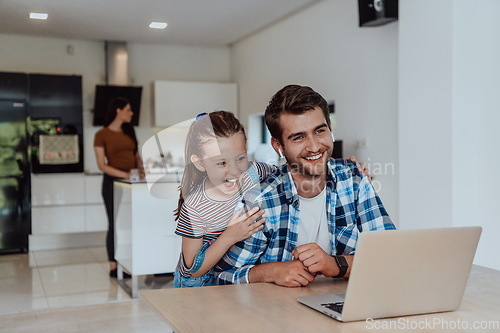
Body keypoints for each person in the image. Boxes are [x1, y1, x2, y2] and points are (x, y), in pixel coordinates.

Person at [215, 85, 396, 286]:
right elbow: (222, 277)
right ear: (278, 146)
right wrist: (269, 272)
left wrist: (336, 265)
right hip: (276, 312)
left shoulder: (355, 179)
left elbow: (390, 257)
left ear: (330, 129)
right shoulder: (260, 202)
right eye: (299, 137)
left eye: (319, 131)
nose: (314, 146)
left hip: (344, 305)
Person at [173, 111, 274, 288]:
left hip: (233, 276)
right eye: (222, 163)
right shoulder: (195, 208)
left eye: (240, 158)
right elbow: (193, 269)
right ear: (199, 163)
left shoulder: (253, 172)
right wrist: (230, 236)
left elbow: (283, 175)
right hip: (199, 285)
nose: (234, 171)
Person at [94, 97, 143, 278]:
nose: (131, 113)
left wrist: (142, 170)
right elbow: (101, 165)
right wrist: (125, 175)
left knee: (130, 223)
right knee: (114, 223)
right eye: (129, 109)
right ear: (118, 111)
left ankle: (129, 260)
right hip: (112, 183)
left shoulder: (130, 132)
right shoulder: (102, 134)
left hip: (132, 183)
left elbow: (137, 156)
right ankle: (113, 266)